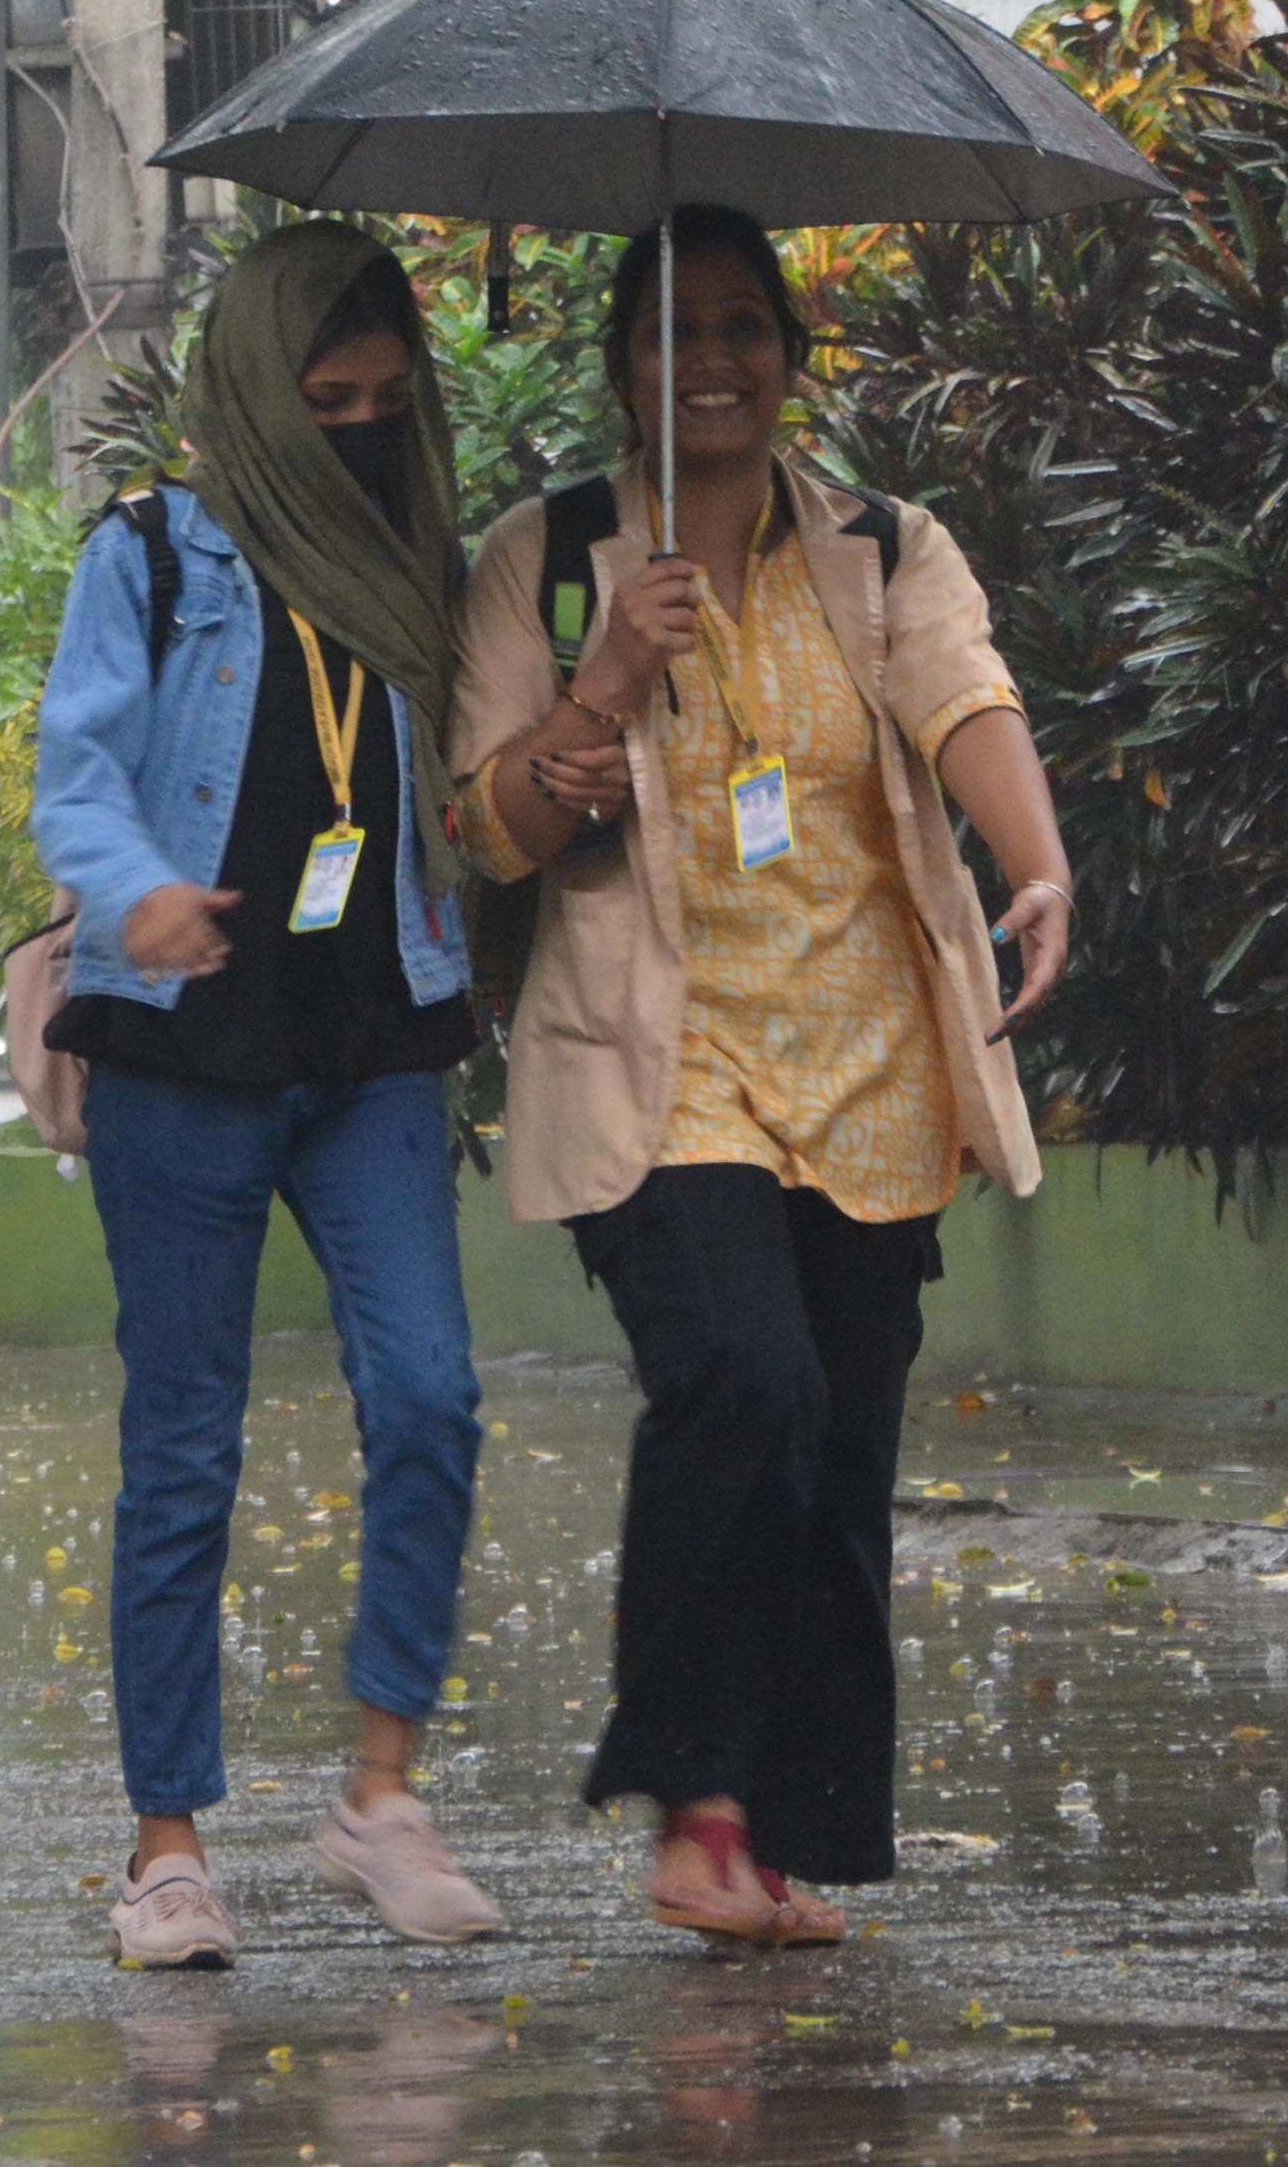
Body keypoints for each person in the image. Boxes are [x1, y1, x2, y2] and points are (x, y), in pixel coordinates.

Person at [448, 206, 1073, 1949]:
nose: (707, 361)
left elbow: (964, 700)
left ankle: (769, 1840)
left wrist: (1037, 862)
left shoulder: (881, 543)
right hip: (661, 1064)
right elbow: (482, 832)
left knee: (839, 1447)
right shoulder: (549, 554)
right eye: (668, 330)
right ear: (615, 366)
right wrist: (605, 676)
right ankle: (694, 1800)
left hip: (871, 1066)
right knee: (744, 1375)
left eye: (741, 326)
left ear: (789, 357)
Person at [31, 220, 500, 1970]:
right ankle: (167, 1848)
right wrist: (135, 880)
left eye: (385, 400)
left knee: (434, 1393)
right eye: (324, 399)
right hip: (185, 1048)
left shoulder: (425, 558)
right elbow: (72, 774)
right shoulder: (151, 557)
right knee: (183, 1449)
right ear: (251, 392)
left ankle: (380, 1793)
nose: (358, 431)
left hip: (375, 1043)